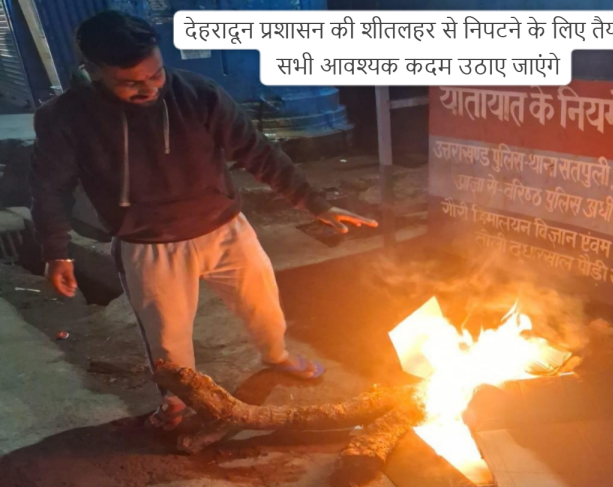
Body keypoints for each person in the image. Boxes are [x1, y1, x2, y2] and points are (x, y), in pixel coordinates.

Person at [28, 10, 378, 430]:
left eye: (156, 74)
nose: (150, 88)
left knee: (264, 306)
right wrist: (57, 252)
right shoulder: (66, 117)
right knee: (167, 339)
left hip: (225, 228)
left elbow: (258, 152)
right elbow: (49, 188)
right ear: (93, 70)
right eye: (131, 83)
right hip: (149, 244)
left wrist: (317, 205)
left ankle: (276, 355)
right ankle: (175, 402)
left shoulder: (198, 94)